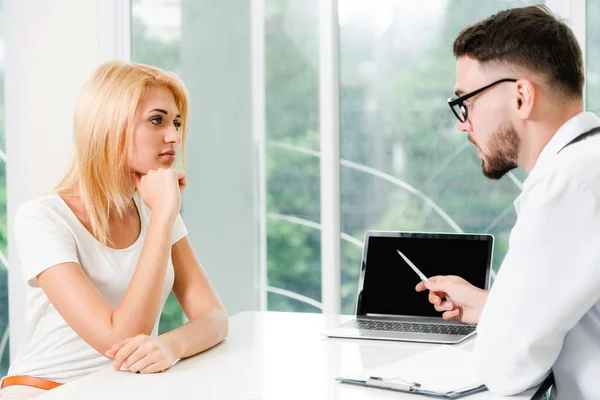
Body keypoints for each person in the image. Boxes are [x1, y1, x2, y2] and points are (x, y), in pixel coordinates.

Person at [0, 61, 228, 399]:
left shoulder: (157, 211)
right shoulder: (42, 219)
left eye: (176, 122)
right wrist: (165, 214)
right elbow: (119, 338)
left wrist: (168, 345)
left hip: (122, 388)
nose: (174, 136)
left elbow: (213, 317)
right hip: (48, 390)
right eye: (157, 120)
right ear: (110, 126)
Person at [415, 5, 600, 399]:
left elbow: (504, 368)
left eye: (467, 101)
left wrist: (502, 326)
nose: (462, 122)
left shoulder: (569, 183)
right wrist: (495, 306)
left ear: (521, 96)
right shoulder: (588, 164)